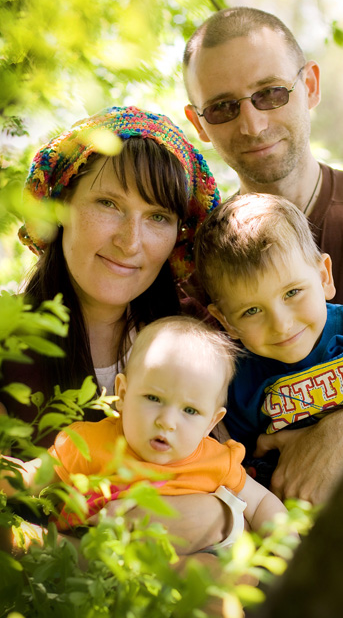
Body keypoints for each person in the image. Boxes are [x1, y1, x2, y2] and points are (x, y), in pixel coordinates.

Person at [1, 105, 237, 553]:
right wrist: (74, 556)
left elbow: (245, 474)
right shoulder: (6, 339)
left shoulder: (201, 336)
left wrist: (225, 519)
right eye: (109, 204)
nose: (130, 242)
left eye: (158, 217)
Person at [182, 6, 343, 318]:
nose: (253, 126)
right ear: (198, 123)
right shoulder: (201, 264)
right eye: (221, 107)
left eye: (270, 93)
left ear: (310, 86)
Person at [194, 193, 343, 500]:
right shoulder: (239, 384)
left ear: (323, 276)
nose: (281, 324)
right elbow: (242, 471)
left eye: (292, 292)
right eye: (252, 311)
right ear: (226, 321)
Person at [1, 316, 285, 549]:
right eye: (153, 398)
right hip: (85, 567)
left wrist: (283, 548)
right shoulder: (88, 442)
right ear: (122, 394)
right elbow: (28, 478)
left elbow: (261, 502)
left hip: (174, 572)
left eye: (190, 410)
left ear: (211, 423)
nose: (167, 422)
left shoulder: (216, 461)